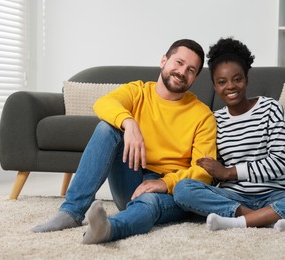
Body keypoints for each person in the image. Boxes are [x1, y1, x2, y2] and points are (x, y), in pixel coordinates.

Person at [32, 39, 217, 244]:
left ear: (195, 77)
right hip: (131, 179)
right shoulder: (138, 91)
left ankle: (108, 229)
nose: (182, 72)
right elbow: (104, 103)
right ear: (164, 60)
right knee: (107, 128)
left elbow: (204, 173)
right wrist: (129, 123)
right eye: (179, 62)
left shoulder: (203, 115)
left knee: (149, 201)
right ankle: (71, 212)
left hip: (170, 193)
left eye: (191, 70)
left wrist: (164, 183)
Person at [173, 37, 285, 232]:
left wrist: (228, 172)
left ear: (247, 79)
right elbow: (211, 171)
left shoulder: (271, 108)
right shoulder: (213, 120)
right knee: (183, 189)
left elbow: (280, 163)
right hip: (233, 198)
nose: (230, 86)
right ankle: (267, 218)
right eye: (222, 82)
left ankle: (238, 222)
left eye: (237, 79)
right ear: (215, 87)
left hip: (276, 195)